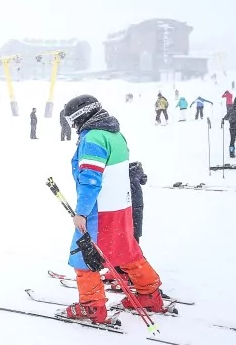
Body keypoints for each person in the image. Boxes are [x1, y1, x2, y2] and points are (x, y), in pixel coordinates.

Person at [60, 95, 167, 324]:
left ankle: (92, 306)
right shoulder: (115, 134)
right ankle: (149, 294)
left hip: (99, 211)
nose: (73, 126)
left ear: (81, 117)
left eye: (72, 121)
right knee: (126, 250)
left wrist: (81, 212)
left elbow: (91, 179)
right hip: (121, 207)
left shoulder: (93, 138)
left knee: (84, 255)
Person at [128, 161, 147, 243]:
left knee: (127, 232)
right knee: (135, 233)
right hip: (137, 203)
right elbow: (144, 180)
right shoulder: (137, 169)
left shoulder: (122, 172)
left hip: (127, 203)